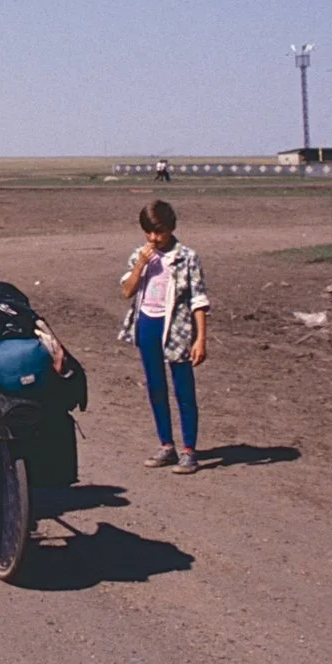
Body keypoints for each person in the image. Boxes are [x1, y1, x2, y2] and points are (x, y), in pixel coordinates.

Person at [116, 199, 209, 475]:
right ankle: (166, 445)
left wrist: (200, 338)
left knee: (183, 389)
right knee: (156, 387)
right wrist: (141, 266)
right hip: (147, 325)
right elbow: (127, 291)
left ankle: (189, 450)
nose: (154, 238)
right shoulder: (141, 255)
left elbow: (199, 300)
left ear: (171, 228)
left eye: (160, 232)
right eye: (149, 232)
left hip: (178, 330)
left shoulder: (187, 257)